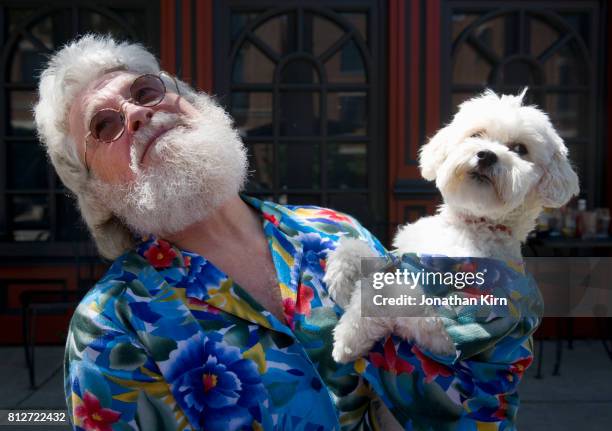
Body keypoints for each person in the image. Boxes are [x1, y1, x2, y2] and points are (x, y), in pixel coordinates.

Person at [35, 35, 539, 431]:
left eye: (145, 90)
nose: (138, 113)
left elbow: (433, 387)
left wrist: (496, 303)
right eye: (104, 126)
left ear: (194, 103)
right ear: (96, 191)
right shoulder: (110, 327)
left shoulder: (335, 233)